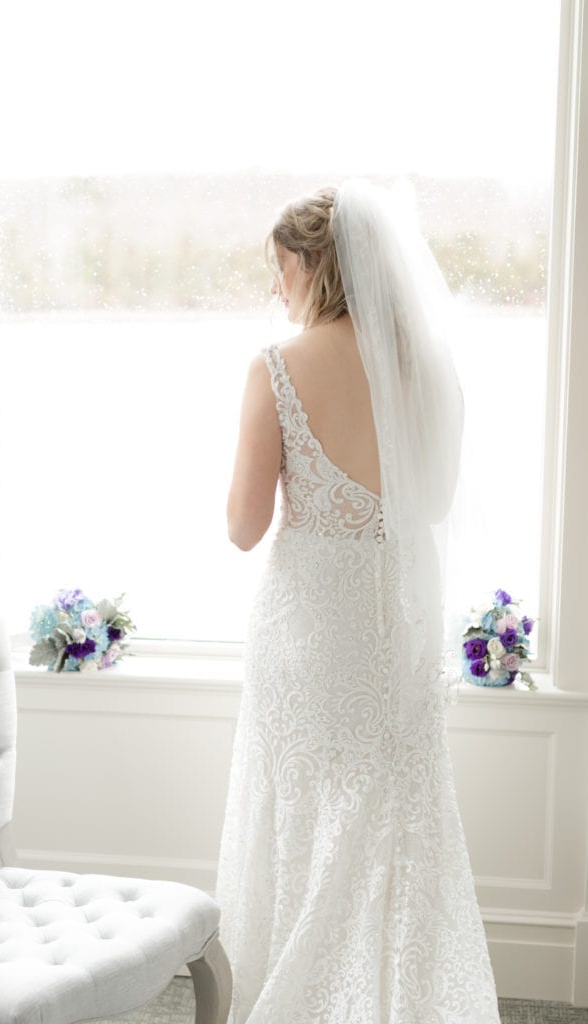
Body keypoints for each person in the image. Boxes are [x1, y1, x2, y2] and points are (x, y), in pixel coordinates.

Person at [214, 179, 501, 1024]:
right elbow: (436, 504)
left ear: (316, 266)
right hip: (395, 629)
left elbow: (242, 527)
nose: (276, 287)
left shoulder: (275, 368)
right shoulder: (432, 366)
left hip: (308, 634)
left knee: (300, 818)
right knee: (397, 827)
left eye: (281, 268)